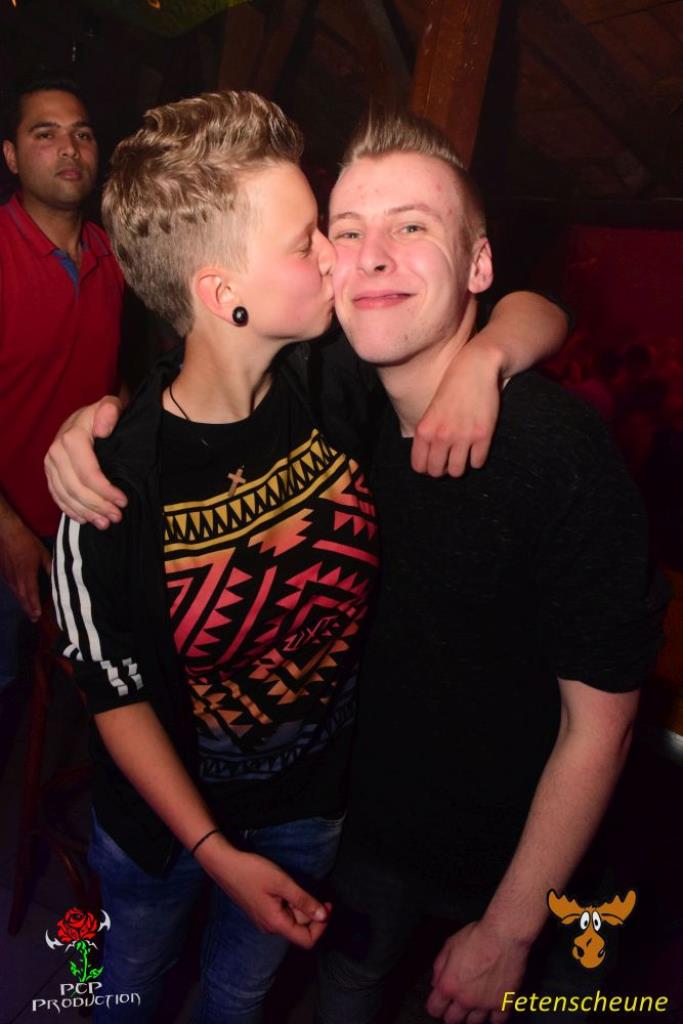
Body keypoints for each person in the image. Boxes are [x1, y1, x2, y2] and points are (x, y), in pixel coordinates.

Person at [46, 92, 566, 1023]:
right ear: (222, 295)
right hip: (167, 835)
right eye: (305, 242)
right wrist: (213, 852)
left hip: (307, 813)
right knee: (128, 986)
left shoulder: (332, 379)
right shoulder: (110, 487)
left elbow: (535, 306)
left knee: (239, 997)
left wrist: (486, 360)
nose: (334, 255)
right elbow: (111, 693)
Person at [311, 108, 663, 1024]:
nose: (372, 255)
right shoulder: (335, 398)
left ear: (477, 267)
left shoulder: (555, 450)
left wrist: (509, 931)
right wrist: (95, 428)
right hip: (375, 837)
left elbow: (602, 724)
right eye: (348, 232)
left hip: (532, 869)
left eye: (410, 227)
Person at [0, 74, 123, 694]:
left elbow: (111, 376)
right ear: (11, 156)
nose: (70, 148)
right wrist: (8, 531)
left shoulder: (110, 255)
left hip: (80, 524)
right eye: (45, 134)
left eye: (82, 134)